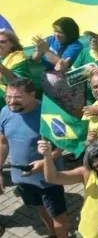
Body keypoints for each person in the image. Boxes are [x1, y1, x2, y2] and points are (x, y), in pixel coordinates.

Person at [0, 79, 69, 238]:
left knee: (57, 214)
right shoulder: (5, 112)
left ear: (31, 95)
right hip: (22, 179)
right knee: (40, 207)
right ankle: (52, 234)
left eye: (17, 97)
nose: (11, 102)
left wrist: (45, 162)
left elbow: (64, 142)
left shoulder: (47, 112)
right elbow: (3, 143)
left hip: (48, 178)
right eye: (8, 97)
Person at [30, 17, 84, 113]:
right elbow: (33, 59)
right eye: (55, 31)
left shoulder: (75, 46)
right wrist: (39, 49)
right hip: (49, 80)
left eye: (60, 32)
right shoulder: (50, 39)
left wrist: (46, 50)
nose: (56, 34)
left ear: (69, 33)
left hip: (69, 81)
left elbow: (61, 65)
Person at [0, 30, 31, 98]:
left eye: (2, 42)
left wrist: (2, 69)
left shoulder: (18, 58)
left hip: (11, 98)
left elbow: (18, 82)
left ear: (12, 44)